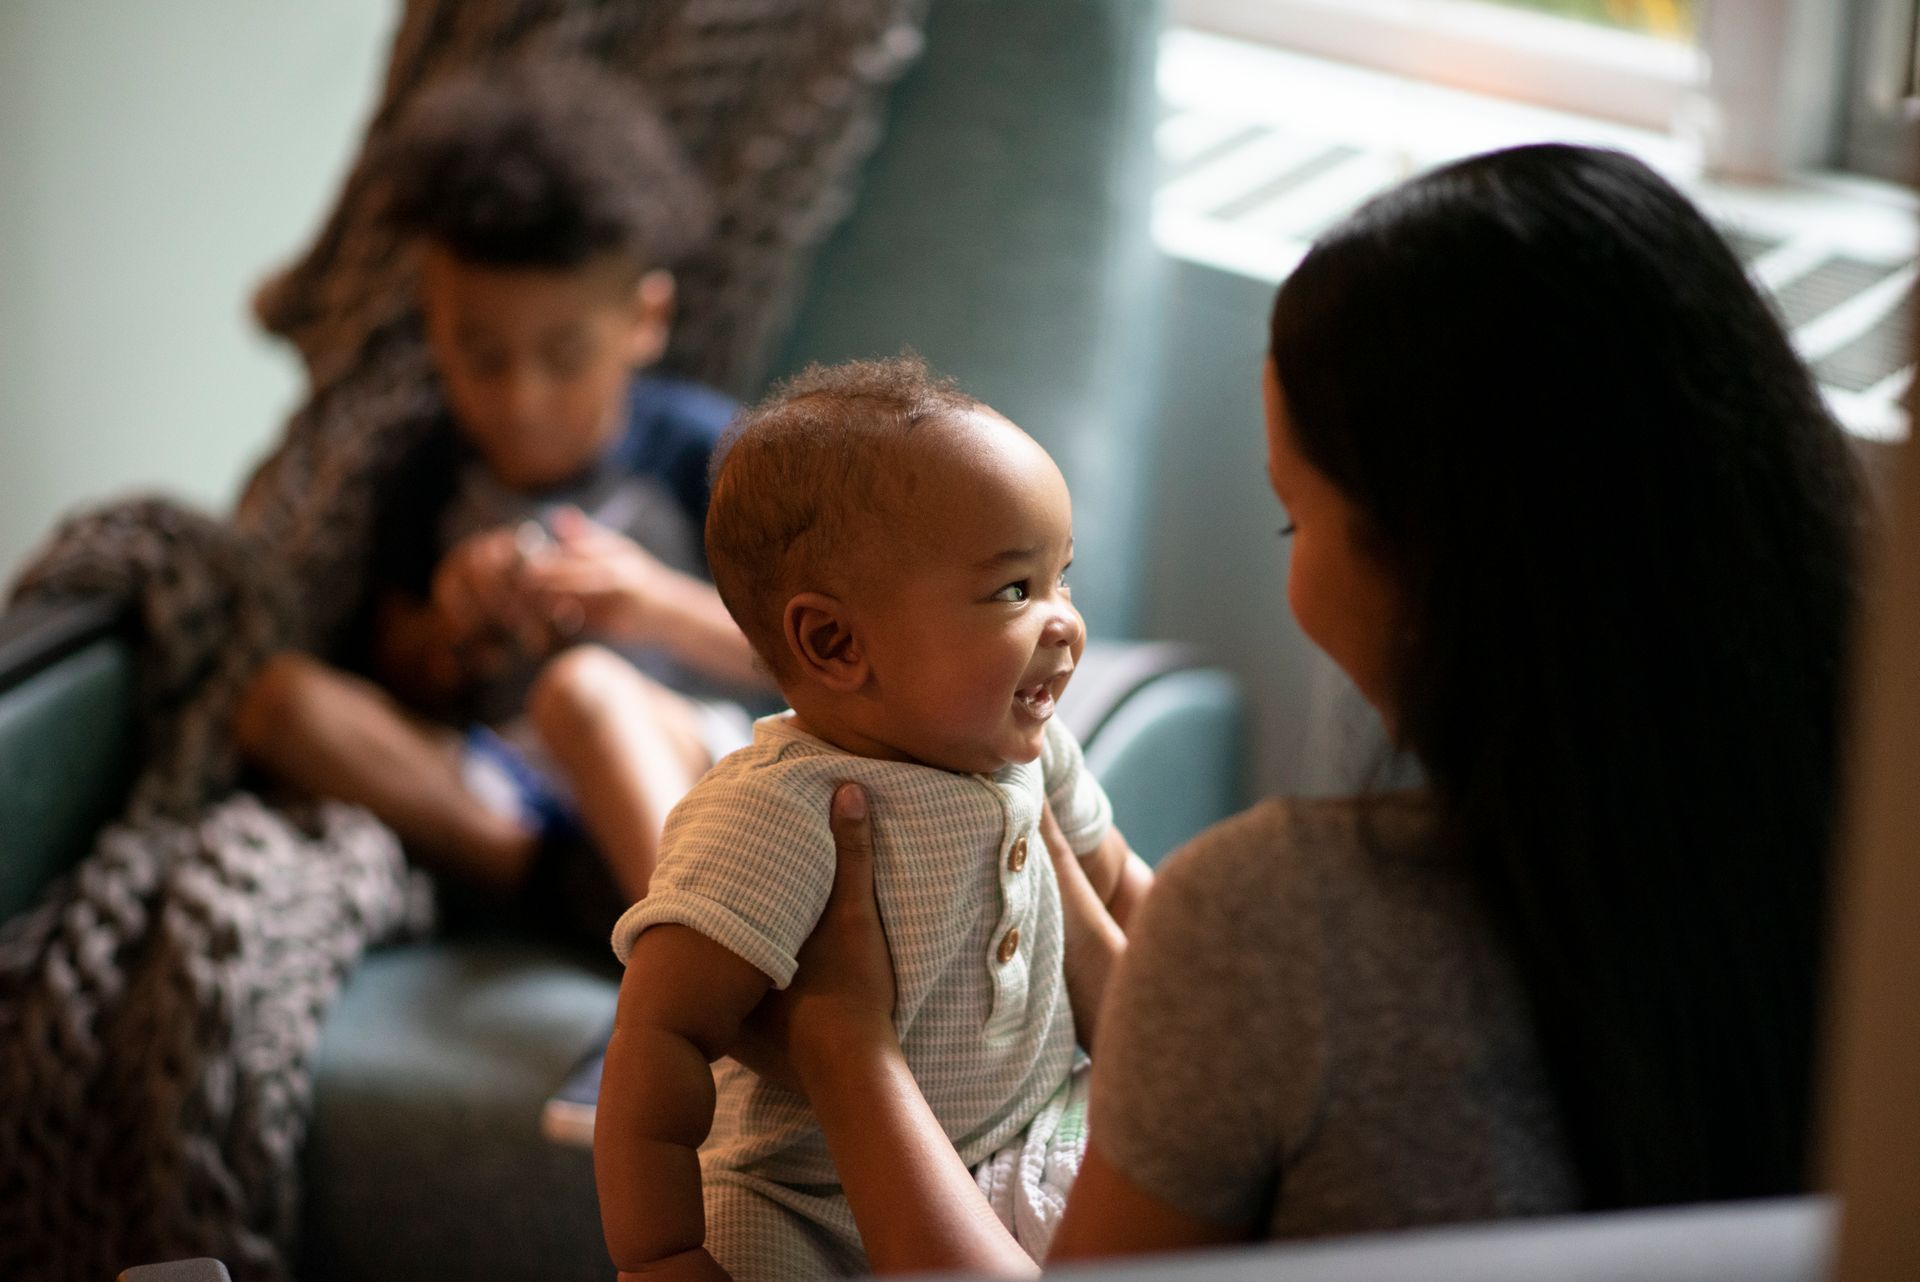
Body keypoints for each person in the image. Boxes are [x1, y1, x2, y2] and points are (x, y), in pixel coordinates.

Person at [749, 142, 1863, 1273]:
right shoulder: (1854, 856)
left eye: (1295, 518)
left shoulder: (1284, 923)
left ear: (1434, 559)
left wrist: (849, 1049)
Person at [593, 356, 1156, 1281]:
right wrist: (659, 1252)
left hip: (1029, 1130)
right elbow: (661, 1035)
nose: (1064, 623)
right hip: (805, 1201)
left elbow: (1123, 887)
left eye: (1063, 578)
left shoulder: (1036, 748)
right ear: (836, 643)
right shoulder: (775, 810)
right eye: (1016, 590)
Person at [231, 59, 772, 940]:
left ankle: (705, 966)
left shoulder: (707, 453)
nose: (519, 398)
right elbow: (400, 671)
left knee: (586, 693)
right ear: (432, 321)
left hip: (694, 770)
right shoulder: (426, 472)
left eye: (563, 356)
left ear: (645, 320)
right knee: (280, 703)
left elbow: (816, 657)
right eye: (480, 355)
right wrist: (457, 627)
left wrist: (648, 605)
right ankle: (570, 890)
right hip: (509, 789)